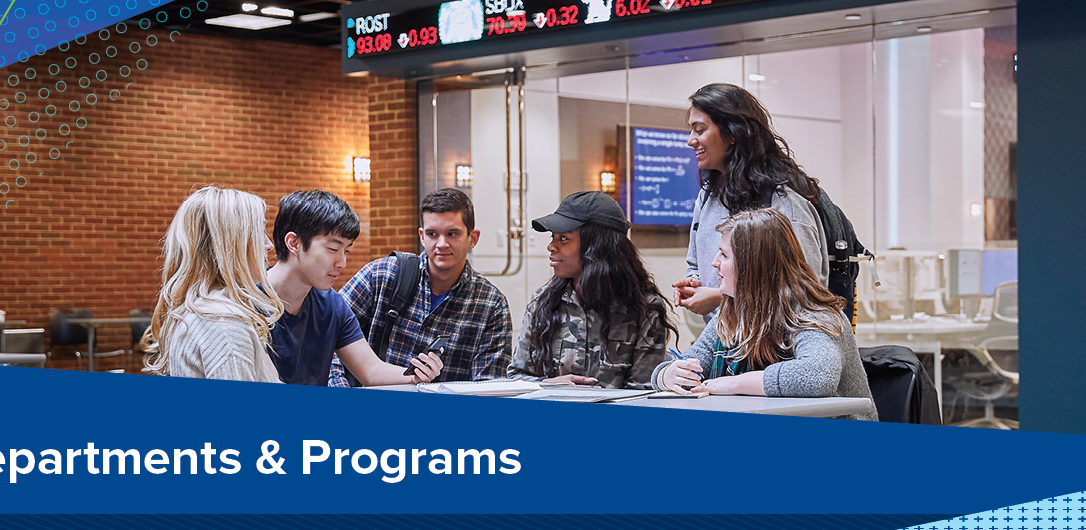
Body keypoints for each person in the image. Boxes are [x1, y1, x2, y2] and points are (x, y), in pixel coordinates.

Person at [653, 208, 877, 421]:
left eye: (724, 254)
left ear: (753, 265)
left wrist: (735, 384)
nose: (714, 263)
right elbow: (688, 363)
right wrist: (668, 375)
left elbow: (818, 376)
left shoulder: (815, 315)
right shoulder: (731, 311)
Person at [671, 83, 829, 322]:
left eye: (700, 130)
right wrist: (694, 283)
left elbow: (807, 295)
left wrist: (720, 297)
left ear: (732, 133)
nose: (690, 140)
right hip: (726, 344)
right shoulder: (707, 196)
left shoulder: (785, 201)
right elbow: (695, 262)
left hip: (776, 350)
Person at [335, 188, 513, 386]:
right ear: (422, 236)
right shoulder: (381, 275)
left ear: (473, 238)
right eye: (432, 234)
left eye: (452, 233)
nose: (442, 243)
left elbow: (490, 388)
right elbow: (326, 336)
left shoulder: (491, 305)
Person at [266, 190, 443, 386]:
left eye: (347, 250)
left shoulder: (331, 304)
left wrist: (415, 375)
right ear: (294, 243)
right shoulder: (245, 304)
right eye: (333, 249)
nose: (342, 262)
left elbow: (370, 370)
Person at [506, 191, 676, 389]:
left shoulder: (644, 309)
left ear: (596, 246)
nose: (551, 246)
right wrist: (548, 385)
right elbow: (516, 377)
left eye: (564, 239)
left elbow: (644, 393)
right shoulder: (543, 302)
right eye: (553, 237)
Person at [143, 186, 285, 382]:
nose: (269, 245)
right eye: (259, 232)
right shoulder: (224, 324)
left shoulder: (203, 312)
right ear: (230, 242)